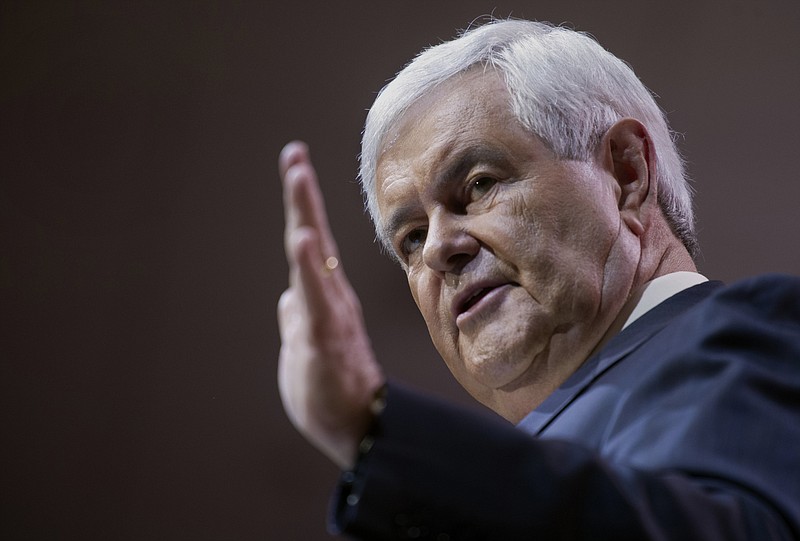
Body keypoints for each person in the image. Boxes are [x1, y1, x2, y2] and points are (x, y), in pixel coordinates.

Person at [277, 19, 800, 539]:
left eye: (479, 185)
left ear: (626, 172)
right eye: (411, 238)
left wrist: (376, 432)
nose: (437, 248)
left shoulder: (760, 337)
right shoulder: (487, 491)